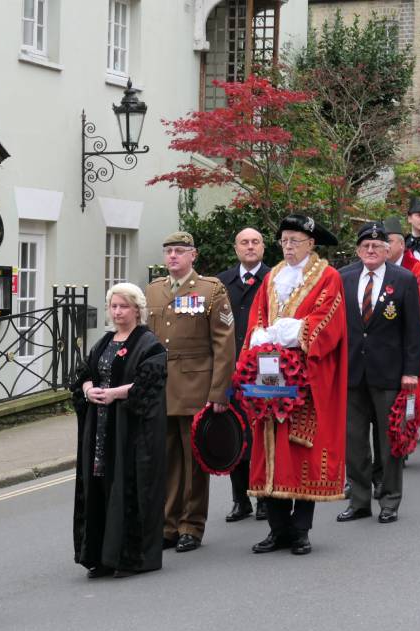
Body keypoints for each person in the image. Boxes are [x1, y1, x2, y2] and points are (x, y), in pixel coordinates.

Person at [244, 213, 347, 555]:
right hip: (270, 376)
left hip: (307, 379)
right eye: (284, 240)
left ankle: (300, 530)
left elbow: (327, 323)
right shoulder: (271, 277)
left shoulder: (328, 277)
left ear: (311, 244)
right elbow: (258, 315)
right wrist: (261, 336)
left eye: (295, 241)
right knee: (270, 446)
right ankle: (277, 529)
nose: (288, 247)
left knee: (302, 452)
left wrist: (290, 332)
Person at [145, 232, 234, 553]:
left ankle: (191, 526)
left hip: (198, 387)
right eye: (168, 251)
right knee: (167, 460)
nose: (172, 257)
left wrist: (219, 391)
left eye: (179, 251)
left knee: (195, 460)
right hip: (163, 388)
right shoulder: (154, 290)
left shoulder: (211, 290)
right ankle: (168, 524)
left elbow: (224, 343)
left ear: (193, 255)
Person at [71, 283, 168, 579]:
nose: (117, 312)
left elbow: (149, 383)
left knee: (125, 488)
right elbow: (84, 373)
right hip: (99, 430)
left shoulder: (148, 342)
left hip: (130, 432)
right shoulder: (103, 342)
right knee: (99, 488)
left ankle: (129, 557)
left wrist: (114, 393)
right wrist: (89, 390)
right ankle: (99, 556)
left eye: (123, 306)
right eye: (113, 306)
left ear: (137, 309)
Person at [338, 221, 420, 524]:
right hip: (352, 372)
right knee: (354, 441)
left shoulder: (404, 280)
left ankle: (389, 500)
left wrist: (411, 372)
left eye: (377, 246)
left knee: (389, 441)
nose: (371, 250)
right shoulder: (343, 278)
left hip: (389, 373)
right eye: (365, 246)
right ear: (358, 250)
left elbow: (413, 331)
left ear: (388, 249)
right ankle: (360, 500)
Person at [217, 228, 270, 522]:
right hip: (230, 369)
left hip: (264, 371)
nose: (250, 247)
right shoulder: (222, 282)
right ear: (236, 247)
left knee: (261, 434)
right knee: (233, 432)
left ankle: (264, 497)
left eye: (255, 242)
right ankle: (240, 500)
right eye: (244, 243)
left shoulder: (274, 279)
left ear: (263, 247)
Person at [386, 217, 420, 444]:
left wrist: (410, 333)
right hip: (387, 338)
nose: (385, 246)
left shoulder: (417, 269)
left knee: (419, 385)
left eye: (389, 241)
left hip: (414, 336)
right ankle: (397, 433)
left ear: (402, 244)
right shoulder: (379, 268)